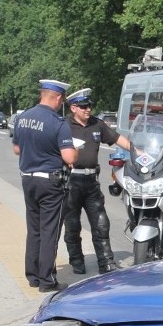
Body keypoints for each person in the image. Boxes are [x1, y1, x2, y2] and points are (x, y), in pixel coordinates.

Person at [13, 79, 78, 292]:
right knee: (49, 230)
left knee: (34, 230)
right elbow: (69, 157)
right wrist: (75, 151)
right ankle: (47, 280)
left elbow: (16, 149)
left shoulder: (23, 117)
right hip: (50, 183)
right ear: (57, 97)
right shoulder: (58, 123)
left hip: (27, 179)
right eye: (62, 100)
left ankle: (32, 276)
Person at [62, 88, 129, 274]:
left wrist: (137, 151)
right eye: (83, 106)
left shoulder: (97, 124)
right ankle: (76, 261)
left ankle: (106, 262)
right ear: (73, 108)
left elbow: (117, 139)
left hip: (91, 181)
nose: (88, 109)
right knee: (72, 225)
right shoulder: (64, 126)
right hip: (71, 181)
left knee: (101, 223)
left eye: (89, 106)